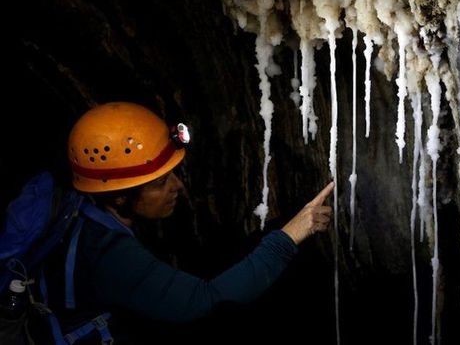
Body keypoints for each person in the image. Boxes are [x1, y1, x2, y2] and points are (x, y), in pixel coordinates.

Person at [38, 101, 334, 344]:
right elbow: (204, 302)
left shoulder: (80, 211)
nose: (178, 187)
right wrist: (288, 236)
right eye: (160, 182)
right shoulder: (105, 252)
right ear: (119, 197)